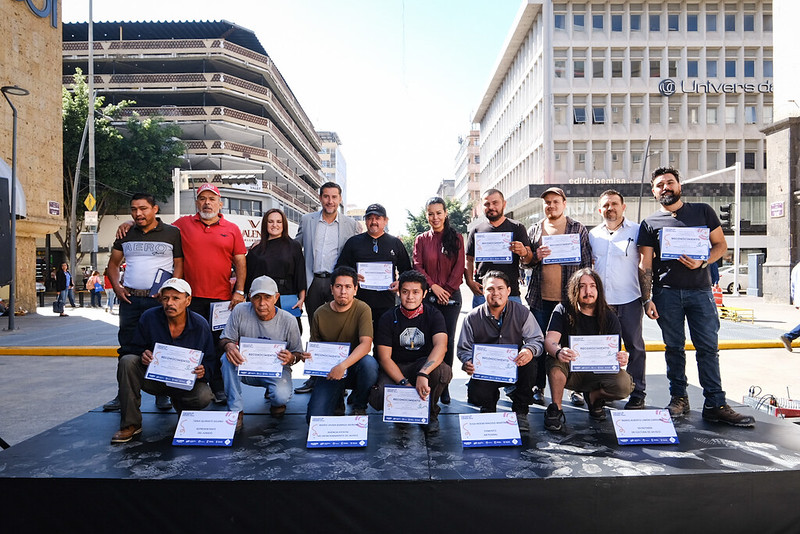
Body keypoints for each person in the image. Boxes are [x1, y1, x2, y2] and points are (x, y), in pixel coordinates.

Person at [638, 167, 755, 427]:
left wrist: (703, 262)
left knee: (708, 350)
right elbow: (645, 265)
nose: (665, 187)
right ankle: (678, 398)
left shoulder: (703, 211)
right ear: (653, 192)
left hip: (700, 292)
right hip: (666, 294)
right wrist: (647, 299)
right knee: (674, 349)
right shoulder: (649, 224)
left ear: (679, 186)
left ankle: (715, 403)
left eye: (670, 182)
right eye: (660, 185)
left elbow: (720, 246)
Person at [117, 184, 248, 404]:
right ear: (197, 202)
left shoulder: (232, 228)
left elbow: (240, 262)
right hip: (188, 298)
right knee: (179, 342)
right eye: (202, 198)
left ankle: (218, 387)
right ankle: (164, 387)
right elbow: (155, 224)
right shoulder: (182, 225)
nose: (207, 202)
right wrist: (132, 222)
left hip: (221, 299)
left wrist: (240, 291)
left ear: (220, 203)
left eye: (212, 199)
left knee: (217, 344)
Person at [105, 193, 184, 412]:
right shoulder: (125, 232)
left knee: (161, 346)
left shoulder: (172, 233)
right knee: (127, 348)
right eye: (133, 209)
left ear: (155, 209)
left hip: (159, 301)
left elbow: (179, 264)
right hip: (130, 299)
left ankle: (163, 393)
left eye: (143, 208)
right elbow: (113, 264)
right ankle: (124, 396)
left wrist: (171, 293)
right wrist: (117, 288)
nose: (138, 213)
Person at [111, 278, 214, 443]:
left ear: (188, 301)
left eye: (175, 298)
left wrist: (204, 371)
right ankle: (131, 424)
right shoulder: (149, 317)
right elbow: (133, 347)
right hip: (155, 380)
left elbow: (211, 361)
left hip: (185, 384)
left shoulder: (200, 325)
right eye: (165, 298)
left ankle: (183, 409)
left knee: (204, 396)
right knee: (127, 361)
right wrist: (142, 354)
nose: (169, 303)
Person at [522, 187, 593, 407]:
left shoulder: (577, 228)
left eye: (555, 202)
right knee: (541, 344)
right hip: (540, 299)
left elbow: (587, 263)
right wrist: (535, 257)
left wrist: (583, 295)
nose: (551, 206)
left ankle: (577, 389)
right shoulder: (534, 229)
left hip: (569, 300)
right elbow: (525, 262)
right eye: (547, 203)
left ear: (563, 203)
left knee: (573, 342)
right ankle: (538, 386)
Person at [542, 269, 634, 431]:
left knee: (624, 384)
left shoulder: (609, 316)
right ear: (574, 290)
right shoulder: (562, 309)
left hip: (597, 373)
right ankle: (556, 409)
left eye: (592, 286)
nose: (588, 291)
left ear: (598, 290)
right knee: (554, 360)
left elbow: (615, 353)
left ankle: (594, 397)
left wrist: (621, 357)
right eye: (582, 286)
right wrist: (559, 351)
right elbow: (550, 340)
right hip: (569, 370)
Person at [293, 181, 360, 394]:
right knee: (316, 330)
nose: (330, 201)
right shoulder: (308, 220)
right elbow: (295, 246)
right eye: (326, 196)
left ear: (340, 199)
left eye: (334, 197)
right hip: (314, 280)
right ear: (320, 198)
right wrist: (267, 241)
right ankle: (314, 376)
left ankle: (340, 376)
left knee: (340, 330)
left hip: (338, 283)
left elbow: (356, 251)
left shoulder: (350, 224)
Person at [456, 270, 544, 433]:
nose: (495, 293)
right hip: (486, 371)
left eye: (500, 288)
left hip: (515, 366)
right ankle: (488, 406)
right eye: (490, 289)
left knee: (531, 363)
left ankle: (520, 411)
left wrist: (529, 350)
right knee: (475, 395)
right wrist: (468, 361)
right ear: (483, 290)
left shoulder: (522, 313)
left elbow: (536, 339)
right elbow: (464, 348)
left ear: (508, 291)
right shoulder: (473, 317)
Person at [369, 270, 452, 434]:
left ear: (424, 293)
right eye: (405, 292)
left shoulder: (434, 314)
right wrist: (403, 384)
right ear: (399, 292)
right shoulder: (387, 317)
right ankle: (401, 414)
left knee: (442, 371)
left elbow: (441, 346)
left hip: (421, 364)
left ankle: (430, 413)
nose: (410, 297)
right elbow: (384, 357)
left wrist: (424, 373)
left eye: (416, 292)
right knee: (378, 396)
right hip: (396, 366)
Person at [220, 276, 305, 430]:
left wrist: (291, 357)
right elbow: (226, 338)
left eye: (267, 297)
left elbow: (298, 353)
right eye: (257, 297)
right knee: (226, 359)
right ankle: (235, 409)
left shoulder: (289, 320)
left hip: (275, 370)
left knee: (281, 397)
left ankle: (275, 400)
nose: (262, 303)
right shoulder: (240, 310)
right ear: (249, 297)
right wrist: (229, 346)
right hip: (246, 367)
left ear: (276, 297)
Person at [589, 190, 648, 409]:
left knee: (634, 347)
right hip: (602, 304)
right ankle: (604, 391)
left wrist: (647, 299)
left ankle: (637, 392)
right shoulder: (592, 235)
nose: (610, 208)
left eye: (614, 204)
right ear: (599, 209)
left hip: (630, 299)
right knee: (603, 349)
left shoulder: (638, 231)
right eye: (605, 205)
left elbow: (646, 263)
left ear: (624, 207)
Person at [305, 266, 379, 422]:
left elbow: (366, 345)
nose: (343, 291)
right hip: (329, 370)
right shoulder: (319, 313)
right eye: (338, 286)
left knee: (370, 365)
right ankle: (337, 398)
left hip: (354, 366)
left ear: (355, 290)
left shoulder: (363, 309)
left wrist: (343, 366)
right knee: (313, 419)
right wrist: (309, 357)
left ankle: (359, 405)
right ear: (331, 289)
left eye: (348, 287)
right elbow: (316, 347)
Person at [412, 196, 465, 404]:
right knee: (427, 341)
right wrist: (433, 287)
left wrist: (447, 291)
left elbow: (460, 267)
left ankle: (444, 385)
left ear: (445, 214)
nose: (435, 217)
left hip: (451, 298)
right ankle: (428, 379)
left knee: (447, 342)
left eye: (438, 213)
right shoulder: (421, 239)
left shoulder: (456, 237)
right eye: (430, 213)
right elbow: (417, 265)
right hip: (428, 297)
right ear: (427, 215)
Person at [336, 203, 412, 334]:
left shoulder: (395, 243)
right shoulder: (353, 242)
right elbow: (340, 268)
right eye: (370, 218)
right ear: (365, 221)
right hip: (358, 303)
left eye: (378, 218)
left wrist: (401, 283)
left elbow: (407, 271)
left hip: (386, 303)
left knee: (382, 341)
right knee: (358, 340)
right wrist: (352, 276)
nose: (374, 222)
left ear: (385, 220)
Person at [465, 189, 531, 308]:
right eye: (487, 204)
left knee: (513, 327)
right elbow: (469, 260)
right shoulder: (476, 231)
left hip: (511, 293)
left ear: (504, 204)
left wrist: (524, 252)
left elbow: (528, 259)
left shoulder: (517, 228)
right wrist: (469, 282)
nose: (491, 207)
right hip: (483, 293)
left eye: (495, 203)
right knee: (481, 327)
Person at [244, 208, 306, 330]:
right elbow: (248, 274)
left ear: (284, 224)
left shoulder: (294, 246)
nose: (275, 225)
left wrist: (302, 298)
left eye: (278, 222)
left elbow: (300, 272)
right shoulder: (256, 249)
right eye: (271, 222)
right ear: (265, 224)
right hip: (262, 297)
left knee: (290, 331)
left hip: (287, 296)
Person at [780, 262, 800, 352]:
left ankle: (789, 337)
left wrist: (794, 299)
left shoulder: (796, 268)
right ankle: (789, 336)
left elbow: (793, 285)